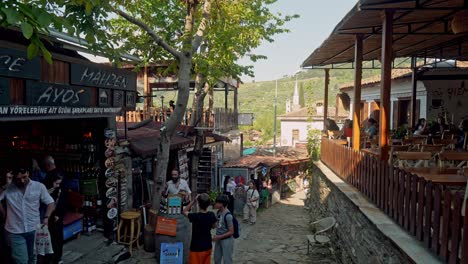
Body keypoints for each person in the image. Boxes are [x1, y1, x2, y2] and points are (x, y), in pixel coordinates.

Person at [0, 163, 55, 264]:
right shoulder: (7, 188)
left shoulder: (38, 186)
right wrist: (4, 214)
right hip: (15, 231)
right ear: (13, 177)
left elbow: (50, 202)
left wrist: (46, 217)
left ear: (28, 173)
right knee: (21, 261)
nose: (22, 181)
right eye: (18, 178)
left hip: (34, 229)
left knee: (32, 259)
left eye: (24, 177)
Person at [183, 193, 217, 264]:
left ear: (198, 203)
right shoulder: (211, 215)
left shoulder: (195, 216)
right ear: (208, 204)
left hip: (196, 247)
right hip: (207, 246)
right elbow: (214, 226)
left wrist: (193, 201)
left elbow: (184, 211)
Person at [40, 174, 65, 264]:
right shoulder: (43, 190)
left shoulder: (59, 190)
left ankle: (57, 258)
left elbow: (62, 204)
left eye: (59, 184)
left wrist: (58, 215)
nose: (57, 186)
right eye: (56, 183)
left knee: (58, 240)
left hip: (57, 219)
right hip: (46, 220)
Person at [213, 195, 234, 264]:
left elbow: (231, 231)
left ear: (222, 204)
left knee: (227, 260)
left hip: (226, 240)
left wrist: (219, 237)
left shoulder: (228, 216)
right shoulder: (218, 212)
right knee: (216, 258)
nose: (215, 204)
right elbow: (217, 224)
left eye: (217, 202)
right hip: (218, 239)